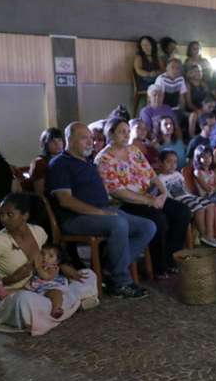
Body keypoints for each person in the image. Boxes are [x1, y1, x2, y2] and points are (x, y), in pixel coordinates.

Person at [46, 122, 154, 298]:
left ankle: (109, 270)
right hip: (74, 218)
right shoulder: (59, 164)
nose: (90, 142)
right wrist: (101, 213)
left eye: (91, 138)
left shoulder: (88, 162)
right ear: (69, 140)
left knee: (148, 226)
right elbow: (66, 201)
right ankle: (121, 283)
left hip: (103, 212)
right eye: (84, 138)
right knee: (118, 223)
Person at [0, 193, 100, 335]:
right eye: (1, 214)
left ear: (25, 216)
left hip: (41, 288)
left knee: (87, 274)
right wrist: (10, 279)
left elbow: (50, 258)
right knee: (25, 301)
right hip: (14, 296)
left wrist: (67, 269)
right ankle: (74, 304)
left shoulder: (38, 232)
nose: (3, 219)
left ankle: (58, 308)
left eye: (9, 214)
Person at [95, 117, 191, 278]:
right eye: (121, 132)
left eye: (127, 131)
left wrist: (163, 193)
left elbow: (152, 175)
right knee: (159, 219)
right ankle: (158, 266)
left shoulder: (134, 151)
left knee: (183, 212)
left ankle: (169, 258)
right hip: (125, 203)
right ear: (110, 134)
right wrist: (150, 201)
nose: (126, 135)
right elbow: (117, 191)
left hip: (149, 197)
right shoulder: (104, 159)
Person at [157, 149, 216, 249]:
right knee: (199, 209)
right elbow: (166, 196)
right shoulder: (160, 178)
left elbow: (185, 188)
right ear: (161, 163)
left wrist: (193, 197)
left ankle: (209, 235)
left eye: (175, 162)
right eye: (168, 161)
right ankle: (203, 235)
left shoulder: (178, 174)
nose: (172, 165)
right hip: (177, 200)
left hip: (187, 196)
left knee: (210, 205)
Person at [25, 243, 71, 319]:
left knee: (56, 293)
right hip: (37, 288)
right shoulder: (39, 265)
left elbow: (47, 277)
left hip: (50, 287)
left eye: (51, 256)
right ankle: (6, 292)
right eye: (43, 254)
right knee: (23, 289)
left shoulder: (53, 268)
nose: (45, 257)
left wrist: (37, 267)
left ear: (57, 261)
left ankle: (56, 308)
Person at [29, 127, 64, 196]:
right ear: (45, 144)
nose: (57, 144)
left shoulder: (66, 159)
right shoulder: (40, 163)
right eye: (52, 141)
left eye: (59, 140)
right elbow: (39, 194)